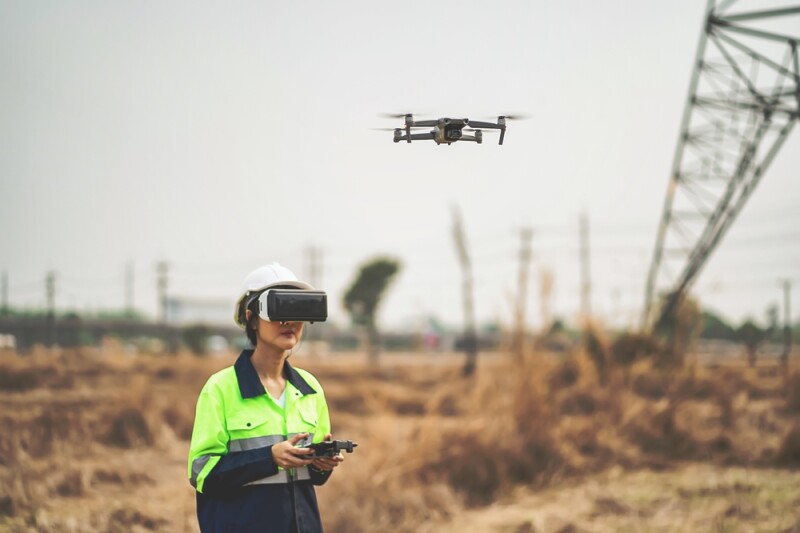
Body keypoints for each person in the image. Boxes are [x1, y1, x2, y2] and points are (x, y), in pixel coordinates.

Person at [188, 262, 343, 533]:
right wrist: (269, 458)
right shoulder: (220, 388)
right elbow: (202, 473)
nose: (289, 322)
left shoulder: (310, 388)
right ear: (251, 318)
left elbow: (315, 478)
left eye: (296, 309)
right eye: (278, 309)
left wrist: (322, 463)